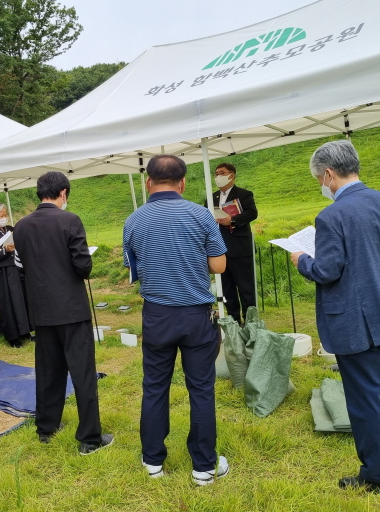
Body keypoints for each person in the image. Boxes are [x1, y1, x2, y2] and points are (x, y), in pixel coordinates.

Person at [291, 140, 380, 499]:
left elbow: (327, 271)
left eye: (320, 178)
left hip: (351, 316)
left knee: (365, 395)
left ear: (329, 174)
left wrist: (302, 259)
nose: (322, 184)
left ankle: (379, 474)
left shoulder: (331, 216)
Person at [124, 155, 229, 485]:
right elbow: (219, 265)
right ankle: (204, 467)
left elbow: (134, 269)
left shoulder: (134, 220)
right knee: (201, 389)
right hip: (196, 315)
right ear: (183, 183)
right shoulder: (201, 214)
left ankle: (153, 461)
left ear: (148, 182)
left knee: (155, 387)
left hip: (157, 315)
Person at [14, 171, 113, 455]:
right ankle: (90, 437)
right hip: (71, 308)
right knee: (82, 373)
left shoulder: (21, 226)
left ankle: (46, 428)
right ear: (63, 193)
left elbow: (21, 267)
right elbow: (83, 266)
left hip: (41, 309)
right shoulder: (70, 220)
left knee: (48, 371)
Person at [207, 162, 258, 323]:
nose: (218, 176)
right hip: (219, 249)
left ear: (232, 175)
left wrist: (233, 220)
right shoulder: (212, 197)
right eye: (216, 174)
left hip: (240, 248)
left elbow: (252, 213)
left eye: (222, 173)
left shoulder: (243, 194)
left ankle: (250, 322)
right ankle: (233, 320)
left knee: (246, 287)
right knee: (226, 288)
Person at [0, 202, 32, 348]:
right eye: (0, 216)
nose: (4, 218)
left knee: (23, 299)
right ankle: (13, 336)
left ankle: (26, 331)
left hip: (17, 267)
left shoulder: (11, 229)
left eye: (5, 215)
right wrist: (5, 250)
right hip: (2, 271)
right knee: (8, 302)